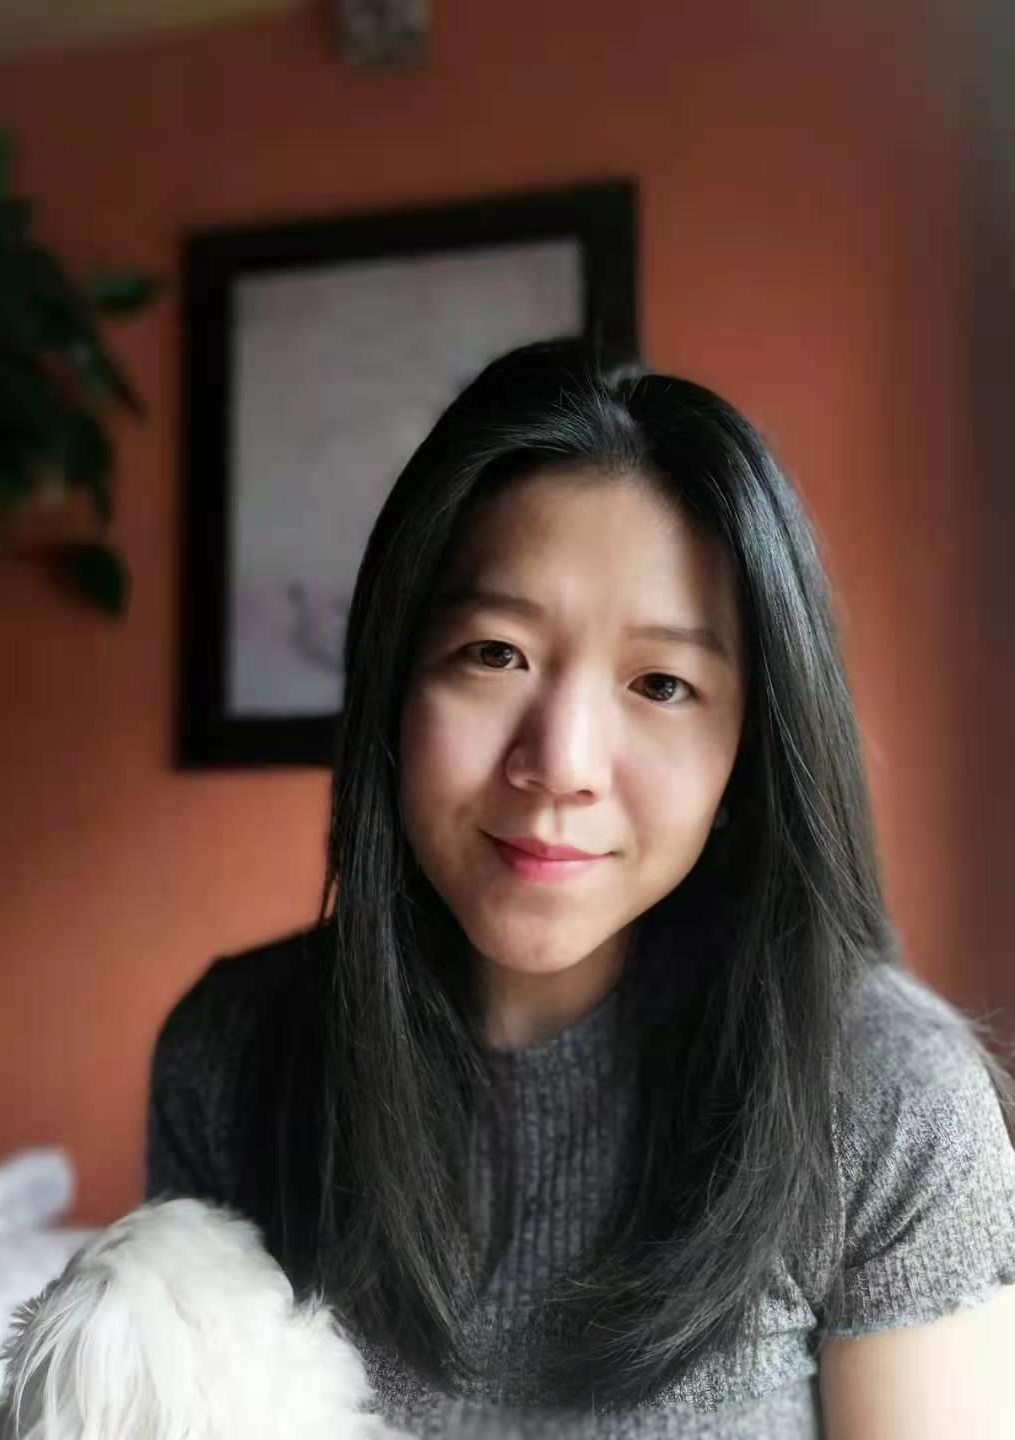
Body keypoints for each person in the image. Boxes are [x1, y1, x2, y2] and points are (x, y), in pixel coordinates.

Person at [146, 338, 1015, 1438]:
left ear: (750, 751)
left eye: (662, 682)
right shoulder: (235, 1056)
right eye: (495, 653)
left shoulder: (890, 1102)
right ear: (393, 683)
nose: (560, 765)